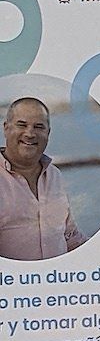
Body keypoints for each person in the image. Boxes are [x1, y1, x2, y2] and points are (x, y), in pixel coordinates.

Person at [0, 98, 85, 260]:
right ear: (6, 128)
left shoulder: (55, 175)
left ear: (48, 133)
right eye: (22, 125)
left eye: (39, 127)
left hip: (59, 280)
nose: (30, 133)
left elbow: (70, 236)